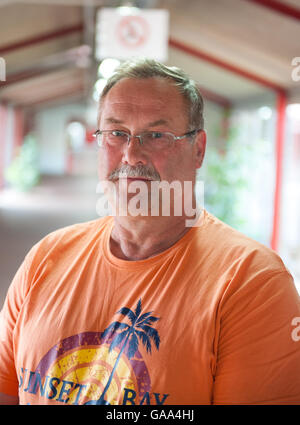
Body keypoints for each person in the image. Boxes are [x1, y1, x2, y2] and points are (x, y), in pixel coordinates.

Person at [1, 58, 300, 406]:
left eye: (156, 135)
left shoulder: (251, 282)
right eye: (116, 133)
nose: (131, 154)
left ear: (198, 149)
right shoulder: (46, 257)